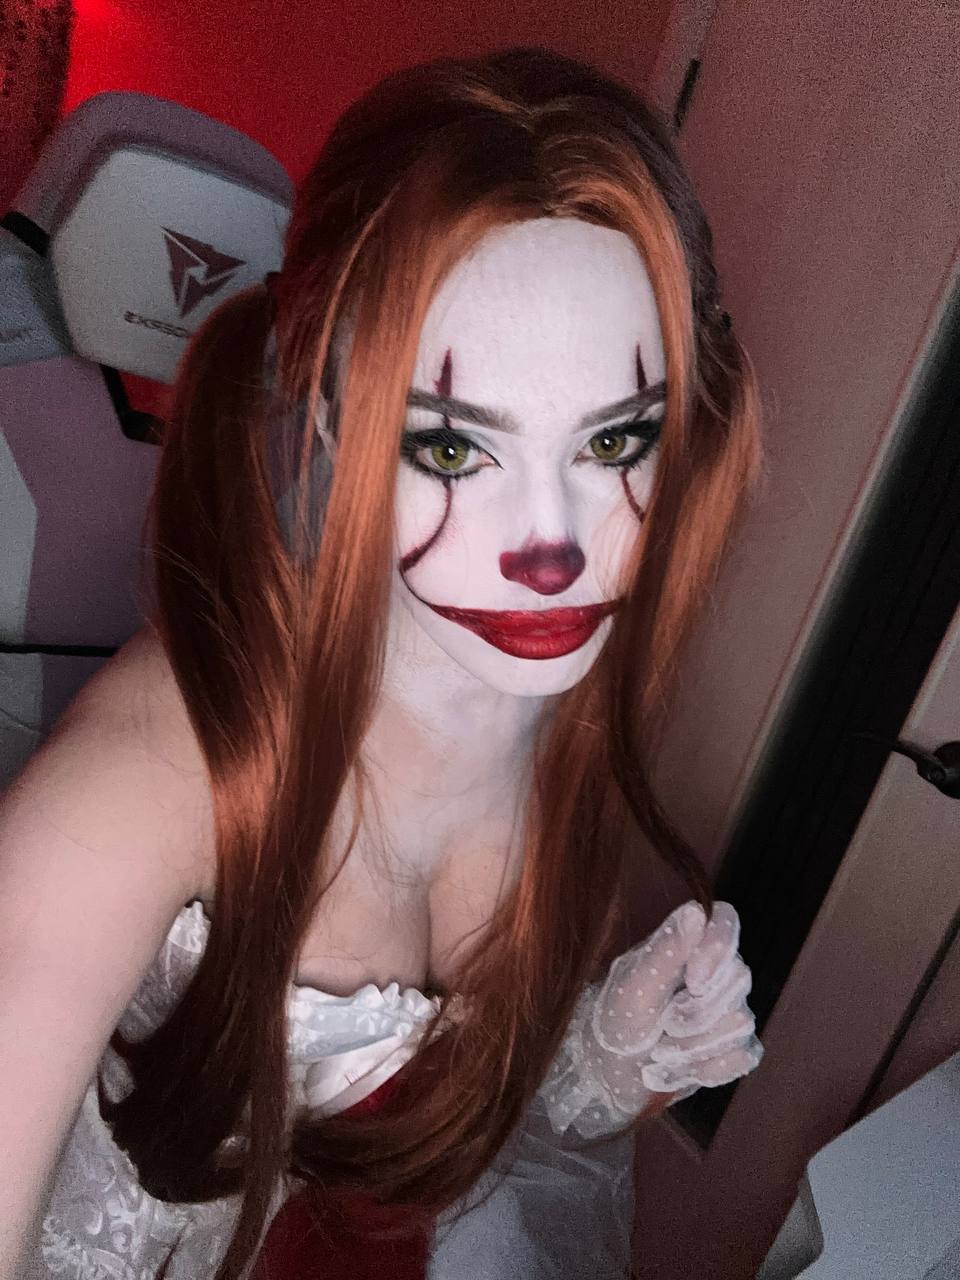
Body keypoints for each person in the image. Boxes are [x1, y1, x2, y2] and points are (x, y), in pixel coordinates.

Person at [0, 47, 764, 1280]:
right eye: (453, 449)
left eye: (616, 440)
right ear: (325, 408)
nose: (552, 552)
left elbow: (451, 1116)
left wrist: (606, 1056)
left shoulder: (547, 705)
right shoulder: (147, 787)